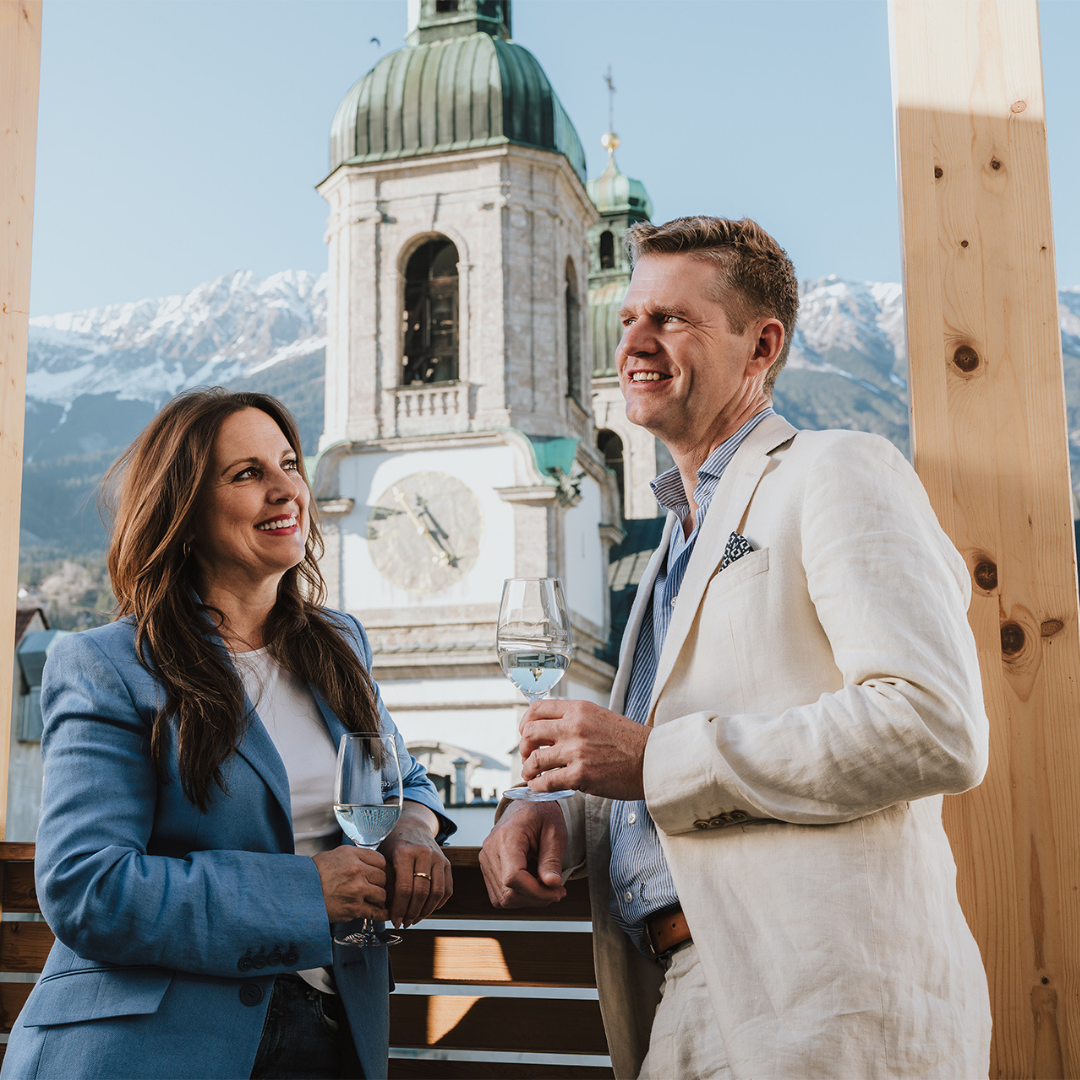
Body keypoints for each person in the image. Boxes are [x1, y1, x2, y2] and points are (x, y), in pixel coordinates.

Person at [480, 217, 992, 1079]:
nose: (634, 341)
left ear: (762, 345)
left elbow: (932, 724)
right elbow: (670, 769)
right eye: (628, 318)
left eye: (672, 319)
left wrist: (646, 758)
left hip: (826, 1006)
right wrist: (558, 809)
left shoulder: (840, 470)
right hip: (681, 994)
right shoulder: (672, 542)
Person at [2, 389, 455, 1080]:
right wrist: (307, 891)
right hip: (151, 1046)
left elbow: (399, 779)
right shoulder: (107, 664)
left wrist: (414, 832)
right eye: (247, 474)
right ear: (182, 511)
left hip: (333, 1031)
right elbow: (86, 887)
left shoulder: (338, 643)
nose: (287, 492)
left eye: (289, 464)